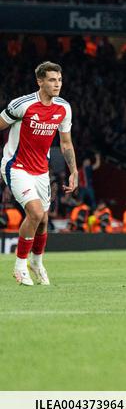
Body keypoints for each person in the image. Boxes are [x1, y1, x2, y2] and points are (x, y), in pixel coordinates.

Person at [0, 61, 76, 286]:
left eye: (60, 80)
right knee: (34, 213)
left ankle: (37, 262)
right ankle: (20, 266)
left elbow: (66, 143)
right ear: (40, 81)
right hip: (16, 166)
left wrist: (74, 171)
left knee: (43, 220)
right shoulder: (22, 105)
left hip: (42, 170)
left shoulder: (63, 108)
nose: (57, 84)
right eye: (52, 80)